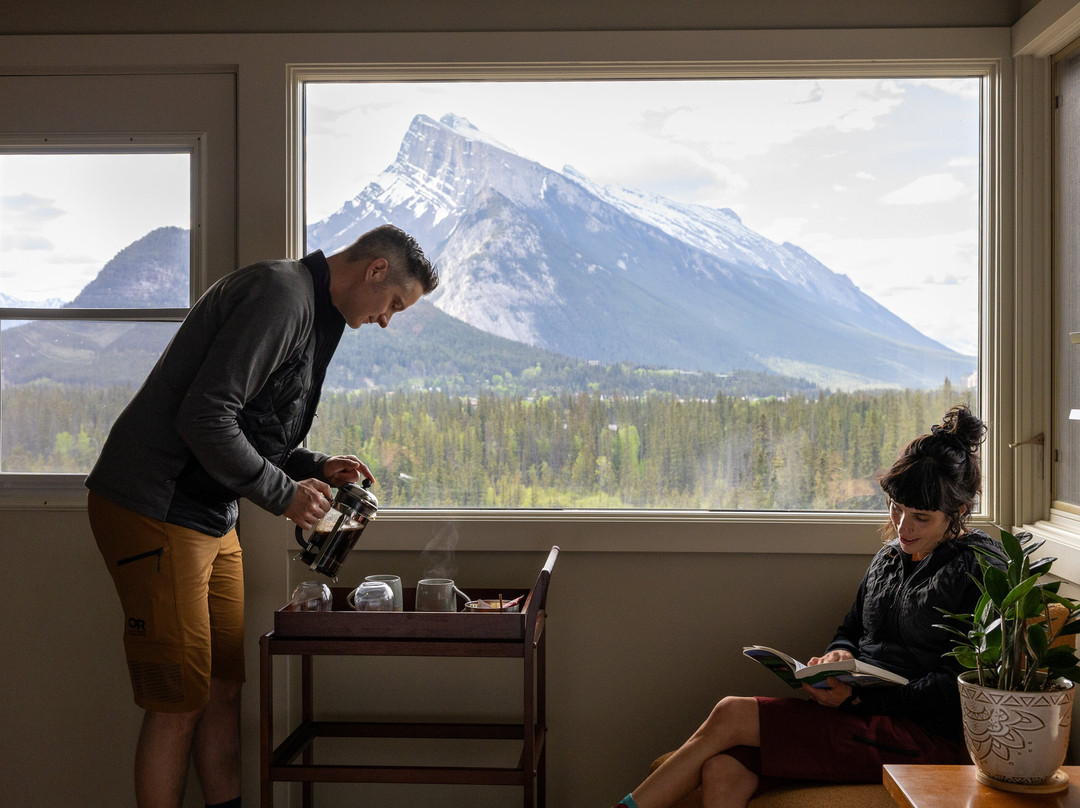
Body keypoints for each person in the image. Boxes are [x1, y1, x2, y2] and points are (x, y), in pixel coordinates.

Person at [85, 224, 438, 808]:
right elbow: (205, 419)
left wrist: (316, 467)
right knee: (180, 704)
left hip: (209, 512)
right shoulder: (281, 295)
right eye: (394, 304)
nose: (386, 320)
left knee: (223, 690)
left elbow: (251, 429)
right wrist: (286, 495)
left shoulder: (313, 312)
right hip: (155, 505)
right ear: (376, 270)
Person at [611, 404, 996, 808]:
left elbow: (958, 685)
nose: (903, 527)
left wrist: (859, 699)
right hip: (859, 716)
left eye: (920, 517)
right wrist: (840, 653)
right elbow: (850, 628)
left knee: (730, 713)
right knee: (722, 769)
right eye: (896, 509)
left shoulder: (978, 568)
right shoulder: (888, 559)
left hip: (919, 738)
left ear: (959, 513)